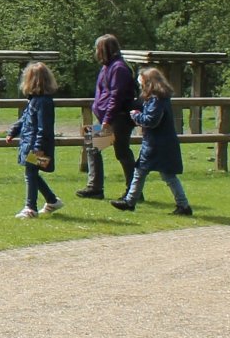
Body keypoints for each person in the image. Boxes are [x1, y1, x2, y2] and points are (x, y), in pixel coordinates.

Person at [111, 67, 192, 216]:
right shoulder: (158, 98)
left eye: (142, 81)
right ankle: (131, 201)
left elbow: (151, 120)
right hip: (159, 142)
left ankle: (131, 202)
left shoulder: (156, 99)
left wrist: (136, 116)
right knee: (149, 173)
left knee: (151, 173)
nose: (140, 84)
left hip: (157, 144)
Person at [81, 33, 138, 200]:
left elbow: (116, 96)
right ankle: (95, 188)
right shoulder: (108, 67)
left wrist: (106, 120)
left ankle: (134, 190)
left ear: (105, 49)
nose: (96, 52)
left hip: (117, 118)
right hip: (111, 118)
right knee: (93, 145)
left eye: (97, 49)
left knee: (122, 152)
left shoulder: (118, 68)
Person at [5, 61, 64, 219]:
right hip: (31, 144)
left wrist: (38, 147)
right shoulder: (34, 100)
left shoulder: (43, 102)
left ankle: (31, 207)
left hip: (37, 145)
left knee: (31, 173)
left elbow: (44, 128)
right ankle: (52, 201)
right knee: (32, 173)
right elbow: (25, 119)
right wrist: (13, 131)